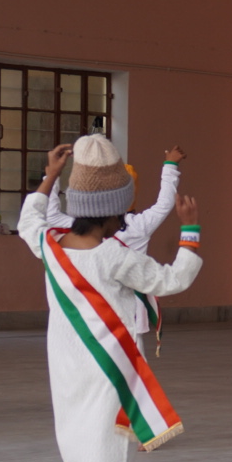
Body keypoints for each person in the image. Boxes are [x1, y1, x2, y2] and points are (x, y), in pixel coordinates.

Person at [20, 136, 202, 462]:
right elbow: (172, 280)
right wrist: (191, 230)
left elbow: (29, 217)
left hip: (66, 367)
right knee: (106, 453)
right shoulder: (114, 257)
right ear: (114, 211)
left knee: (82, 448)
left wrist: (50, 176)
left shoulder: (48, 244)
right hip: (111, 369)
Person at [45, 145, 184, 341]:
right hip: (128, 312)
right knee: (131, 354)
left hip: (91, 307)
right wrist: (170, 166)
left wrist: (52, 175)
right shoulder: (138, 225)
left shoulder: (78, 227)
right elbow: (164, 204)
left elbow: (48, 215)